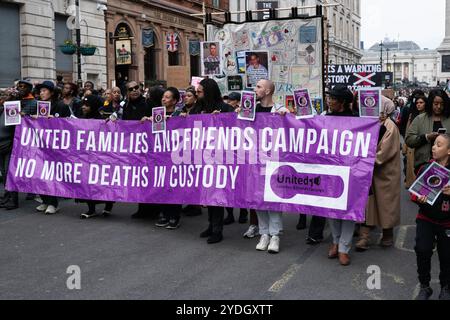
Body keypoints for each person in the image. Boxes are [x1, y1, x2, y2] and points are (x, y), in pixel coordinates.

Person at [237, 79, 288, 254]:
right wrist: (236, 115)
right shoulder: (250, 110)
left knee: (272, 198)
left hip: (273, 161)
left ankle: (275, 235)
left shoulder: (280, 110)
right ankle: (263, 233)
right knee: (257, 197)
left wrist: (286, 117)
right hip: (254, 161)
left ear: (267, 91)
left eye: (258, 87)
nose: (255, 89)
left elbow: (292, 128)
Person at [355, 96, 401, 253]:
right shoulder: (369, 123)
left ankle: (387, 234)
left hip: (385, 173)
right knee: (367, 204)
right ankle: (364, 237)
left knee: (386, 204)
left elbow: (384, 153)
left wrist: (363, 160)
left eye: (381, 110)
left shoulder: (390, 127)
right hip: (369, 171)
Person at [323, 84, 358, 265]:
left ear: (343, 102)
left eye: (333, 99)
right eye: (329, 98)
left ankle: (344, 247)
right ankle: (335, 242)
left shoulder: (357, 120)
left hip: (351, 171)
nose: (329, 101)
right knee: (332, 209)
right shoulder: (324, 117)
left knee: (348, 210)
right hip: (329, 170)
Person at [412, 134, 450, 300]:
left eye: (439, 145)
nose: (434, 147)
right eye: (434, 144)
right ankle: (425, 286)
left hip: (447, 221)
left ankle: (446, 287)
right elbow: (414, 194)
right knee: (422, 250)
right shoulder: (425, 168)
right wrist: (419, 198)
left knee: (447, 255)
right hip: (426, 218)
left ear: (449, 151)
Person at [197, 78, 233, 244]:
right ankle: (211, 225)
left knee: (217, 194)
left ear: (208, 92)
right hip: (202, 157)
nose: (197, 95)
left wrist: (223, 119)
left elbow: (236, 127)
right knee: (207, 195)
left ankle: (217, 230)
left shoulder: (225, 107)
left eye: (200, 92)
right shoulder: (200, 107)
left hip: (220, 158)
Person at [142, 87, 182, 229]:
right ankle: (164, 214)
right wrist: (147, 121)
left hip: (176, 156)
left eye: (167, 97)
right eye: (163, 97)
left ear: (175, 100)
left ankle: (175, 216)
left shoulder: (180, 114)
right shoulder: (158, 113)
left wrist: (177, 120)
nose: (163, 99)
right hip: (161, 156)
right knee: (162, 185)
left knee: (174, 186)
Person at [76, 95, 115, 219]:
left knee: (104, 181)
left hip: (100, 157)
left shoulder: (102, 119)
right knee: (87, 182)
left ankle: (108, 206)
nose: (83, 107)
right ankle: (91, 209)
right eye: (83, 104)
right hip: (86, 157)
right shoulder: (81, 119)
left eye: (86, 105)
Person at [121, 81, 155, 219]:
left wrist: (149, 120)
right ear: (127, 92)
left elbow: (158, 122)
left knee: (149, 178)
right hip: (134, 147)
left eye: (137, 88)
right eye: (131, 89)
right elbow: (124, 124)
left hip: (149, 146)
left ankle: (153, 210)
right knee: (139, 179)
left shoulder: (148, 103)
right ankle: (142, 208)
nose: (135, 90)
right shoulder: (127, 106)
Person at [406, 89, 450, 172]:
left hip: (447, 166)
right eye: (436, 104)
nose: (439, 107)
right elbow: (409, 140)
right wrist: (426, 137)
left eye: (442, 104)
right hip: (424, 164)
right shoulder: (420, 119)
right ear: (430, 103)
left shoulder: (448, 119)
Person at [34, 81, 61, 215]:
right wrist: (32, 118)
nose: (41, 93)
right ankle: (44, 200)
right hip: (40, 144)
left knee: (51, 174)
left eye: (44, 91)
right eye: (40, 91)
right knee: (40, 173)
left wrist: (56, 120)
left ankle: (53, 203)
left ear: (51, 92)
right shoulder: (37, 105)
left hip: (53, 146)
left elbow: (69, 122)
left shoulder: (59, 105)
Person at [0, 87, 19, 210]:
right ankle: (6, 197)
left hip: (9, 146)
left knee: (9, 173)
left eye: (5, 96)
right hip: (1, 147)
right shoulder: (1, 110)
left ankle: (13, 200)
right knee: (4, 173)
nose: (2, 98)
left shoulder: (12, 110)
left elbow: (16, 129)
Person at [404, 95, 427, 189]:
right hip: (412, 145)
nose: (419, 105)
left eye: (421, 103)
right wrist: (405, 147)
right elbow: (407, 131)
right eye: (417, 103)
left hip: (422, 146)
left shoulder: (428, 117)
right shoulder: (413, 115)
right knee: (411, 169)